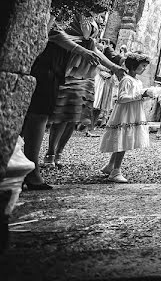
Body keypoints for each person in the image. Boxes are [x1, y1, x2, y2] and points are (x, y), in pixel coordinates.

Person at [20, 15, 120, 190]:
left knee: (44, 115)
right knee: (38, 115)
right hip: (50, 61)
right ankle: (30, 168)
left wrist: (113, 67)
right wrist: (82, 51)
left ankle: (30, 168)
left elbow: (91, 48)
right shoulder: (71, 11)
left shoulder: (88, 18)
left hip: (61, 66)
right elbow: (54, 32)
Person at [42, 13, 124, 170]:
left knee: (74, 116)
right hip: (71, 67)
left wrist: (113, 67)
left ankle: (59, 153)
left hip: (87, 72)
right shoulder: (75, 15)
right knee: (63, 113)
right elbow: (84, 36)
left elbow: (93, 48)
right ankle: (50, 153)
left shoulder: (91, 19)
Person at [99, 52, 155, 183]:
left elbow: (137, 95)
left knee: (123, 140)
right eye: (143, 66)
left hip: (132, 112)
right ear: (134, 65)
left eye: (146, 66)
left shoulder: (137, 81)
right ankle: (115, 171)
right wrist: (140, 96)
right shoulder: (126, 80)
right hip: (125, 114)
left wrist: (146, 94)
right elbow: (122, 98)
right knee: (123, 141)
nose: (144, 69)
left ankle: (110, 166)